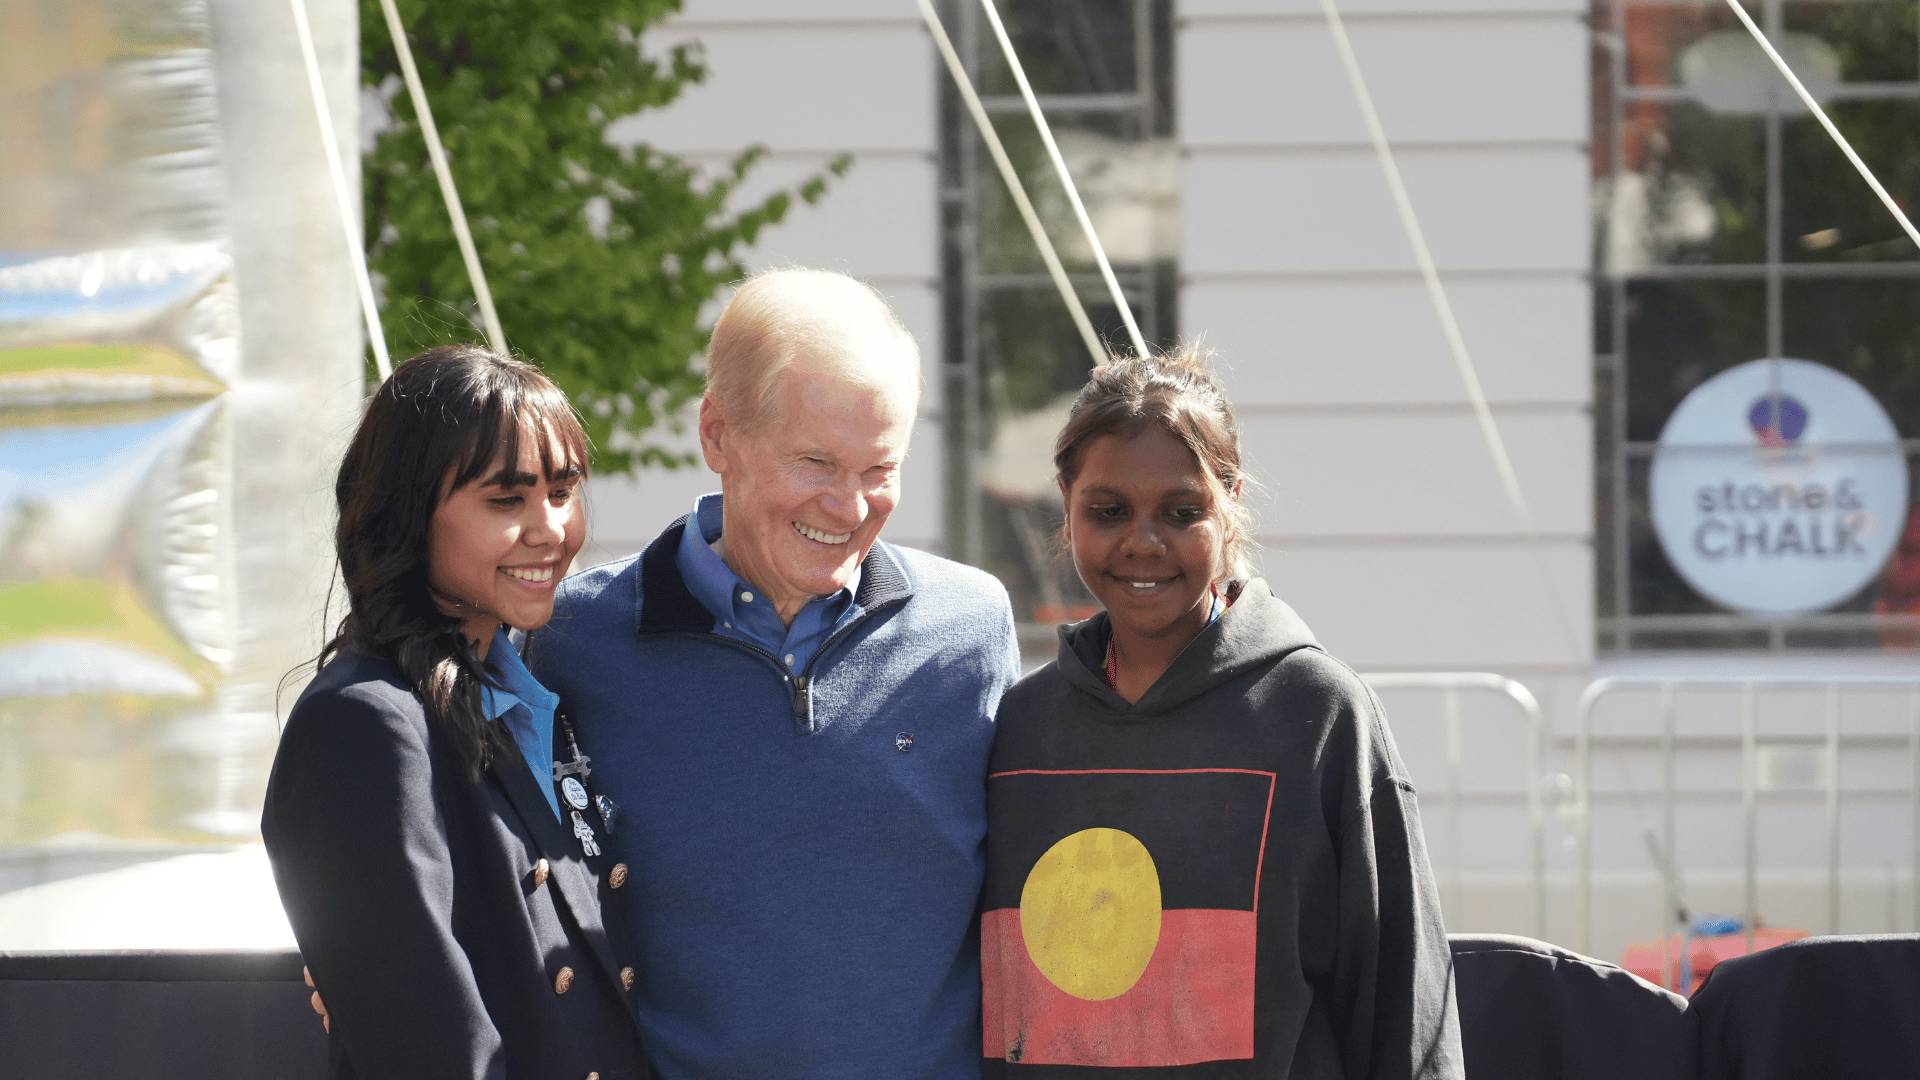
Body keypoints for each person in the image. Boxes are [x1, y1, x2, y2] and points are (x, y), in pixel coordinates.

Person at [525, 269, 1022, 1079]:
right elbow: (491, 850)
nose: (853, 507)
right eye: (818, 463)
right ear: (717, 435)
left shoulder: (971, 629)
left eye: (879, 470)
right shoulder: (572, 639)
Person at [981, 349, 1463, 1078]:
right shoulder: (1016, 729)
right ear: (1066, 499)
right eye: (1109, 511)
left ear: (1229, 500)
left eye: (1181, 512)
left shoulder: (1320, 712)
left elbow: (1403, 1002)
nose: (1143, 541)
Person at [263, 346, 649, 1080]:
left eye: (563, 492)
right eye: (507, 500)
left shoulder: (529, 692)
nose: (550, 529)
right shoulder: (363, 725)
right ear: (408, 514)